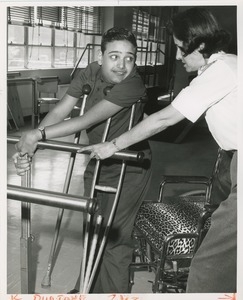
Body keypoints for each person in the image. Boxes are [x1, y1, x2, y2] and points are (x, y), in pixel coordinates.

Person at [81, 8, 237, 293]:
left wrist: (113, 145)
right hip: (232, 162)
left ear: (200, 46)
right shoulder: (228, 66)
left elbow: (164, 119)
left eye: (180, 48)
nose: (177, 56)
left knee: (210, 266)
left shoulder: (220, 72)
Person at [13, 27, 152, 293]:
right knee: (93, 230)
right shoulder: (90, 71)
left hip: (130, 164)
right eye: (114, 56)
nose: (122, 65)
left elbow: (87, 120)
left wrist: (37, 135)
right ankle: (86, 289)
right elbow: (61, 110)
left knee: (114, 238)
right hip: (99, 161)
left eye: (129, 58)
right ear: (100, 57)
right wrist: (32, 146)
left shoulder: (134, 84)